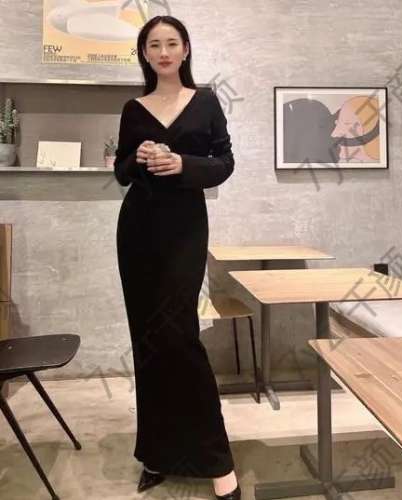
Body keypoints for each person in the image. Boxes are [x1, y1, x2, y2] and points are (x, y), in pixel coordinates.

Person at [114, 15, 240, 500]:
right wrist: (140, 155)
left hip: (184, 229)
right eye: (154, 45)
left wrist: (183, 163)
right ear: (144, 54)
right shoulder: (134, 108)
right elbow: (122, 171)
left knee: (181, 337)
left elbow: (225, 163)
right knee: (148, 341)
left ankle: (217, 460)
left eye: (171, 43)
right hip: (138, 231)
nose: (163, 52)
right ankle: (157, 453)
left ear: (185, 49)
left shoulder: (205, 101)